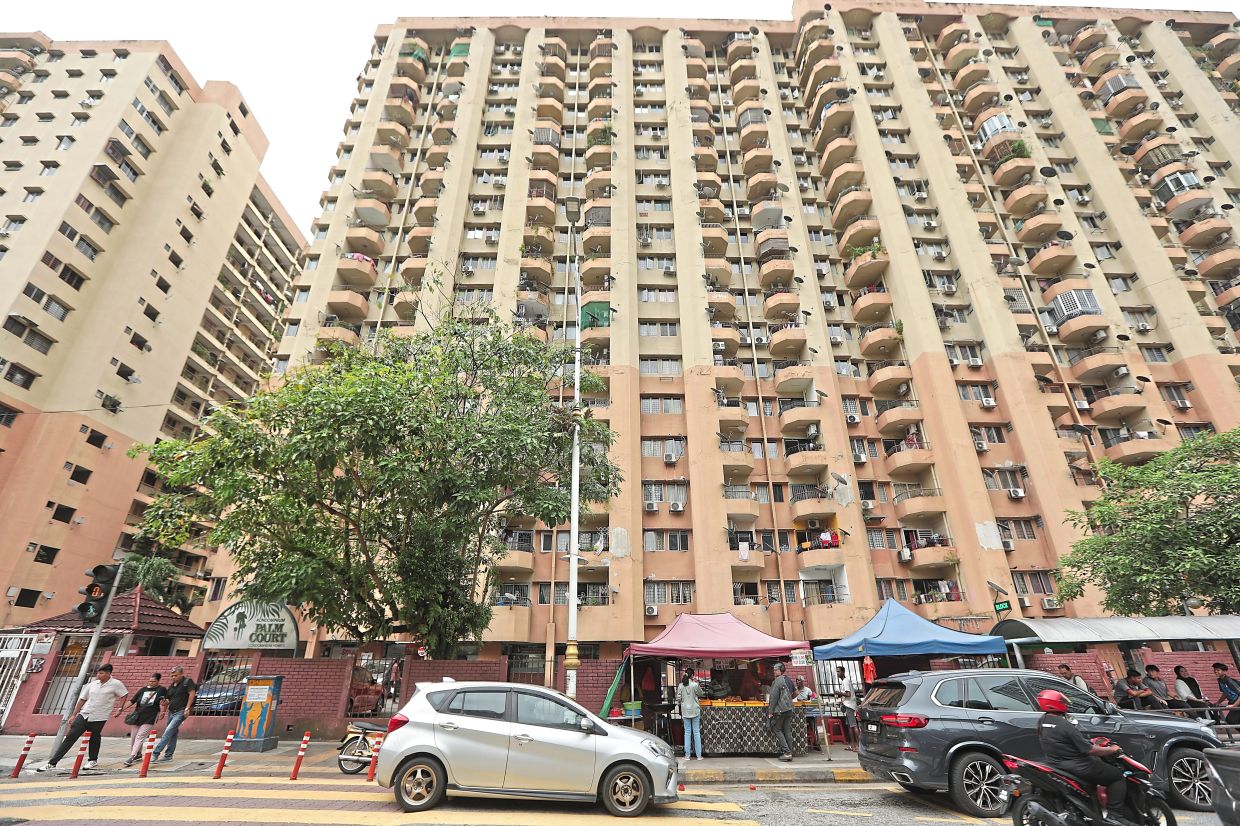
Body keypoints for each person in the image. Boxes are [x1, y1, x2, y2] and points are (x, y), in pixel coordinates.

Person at [1036, 689, 1126, 810]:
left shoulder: (1043, 721)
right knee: (1117, 776)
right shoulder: (1065, 725)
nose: (1065, 704)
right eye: (1062, 701)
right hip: (1079, 766)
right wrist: (1112, 750)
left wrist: (1090, 742)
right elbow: (1089, 750)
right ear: (1053, 704)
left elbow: (1063, 742)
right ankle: (1116, 814)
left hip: (1055, 764)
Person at [34, 663, 128, 772]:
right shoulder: (92, 684)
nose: (98, 675)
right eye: (98, 673)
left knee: (94, 737)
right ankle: (52, 763)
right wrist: (74, 714)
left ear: (108, 673)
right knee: (71, 737)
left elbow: (124, 695)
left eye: (101, 673)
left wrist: (120, 709)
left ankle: (92, 760)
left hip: (99, 716)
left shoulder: (116, 684)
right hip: (84, 714)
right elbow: (82, 699)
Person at [117, 672, 167, 767]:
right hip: (138, 716)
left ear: (158, 681)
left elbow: (164, 701)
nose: (151, 683)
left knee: (140, 736)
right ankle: (138, 754)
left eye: (154, 681)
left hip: (151, 716)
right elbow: (132, 701)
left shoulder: (162, 690)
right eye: (150, 681)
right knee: (134, 737)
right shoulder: (142, 690)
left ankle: (131, 757)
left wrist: (163, 712)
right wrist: (120, 710)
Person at [150, 665, 196, 763]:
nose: (173, 677)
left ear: (181, 674)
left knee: (168, 731)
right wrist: (164, 705)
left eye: (175, 675)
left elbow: (192, 694)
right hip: (171, 712)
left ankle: (155, 753)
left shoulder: (187, 682)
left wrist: (187, 708)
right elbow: (168, 699)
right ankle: (168, 755)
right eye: (172, 676)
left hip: (181, 711)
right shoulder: (171, 686)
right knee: (173, 733)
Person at [767, 662, 797, 762]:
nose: (774, 671)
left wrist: (770, 712)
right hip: (789, 709)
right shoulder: (786, 679)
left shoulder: (777, 681)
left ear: (781, 670)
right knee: (787, 730)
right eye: (774, 669)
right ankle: (790, 751)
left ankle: (787, 752)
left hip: (781, 710)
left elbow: (773, 698)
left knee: (777, 729)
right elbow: (795, 693)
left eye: (776, 669)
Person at [676, 669, 706, 761]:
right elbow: (701, 694)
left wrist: (682, 702)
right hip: (695, 710)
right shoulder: (695, 685)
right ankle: (699, 756)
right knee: (696, 732)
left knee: (687, 733)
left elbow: (678, 698)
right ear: (692, 675)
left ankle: (687, 756)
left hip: (685, 711)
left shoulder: (681, 686)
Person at [836, 665, 859, 751]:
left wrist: (839, 693)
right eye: (837, 672)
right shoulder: (844, 681)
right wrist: (840, 695)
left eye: (839, 671)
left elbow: (848, 694)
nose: (837, 673)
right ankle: (852, 745)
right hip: (847, 704)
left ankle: (859, 746)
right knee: (849, 726)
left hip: (850, 705)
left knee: (853, 725)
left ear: (843, 672)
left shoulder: (845, 681)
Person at [794, 676, 819, 751]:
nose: (797, 682)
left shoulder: (807, 690)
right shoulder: (795, 690)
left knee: (812, 722)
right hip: (797, 712)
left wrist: (809, 699)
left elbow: (813, 698)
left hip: (807, 711)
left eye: (799, 680)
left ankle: (815, 742)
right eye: (796, 680)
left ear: (802, 682)